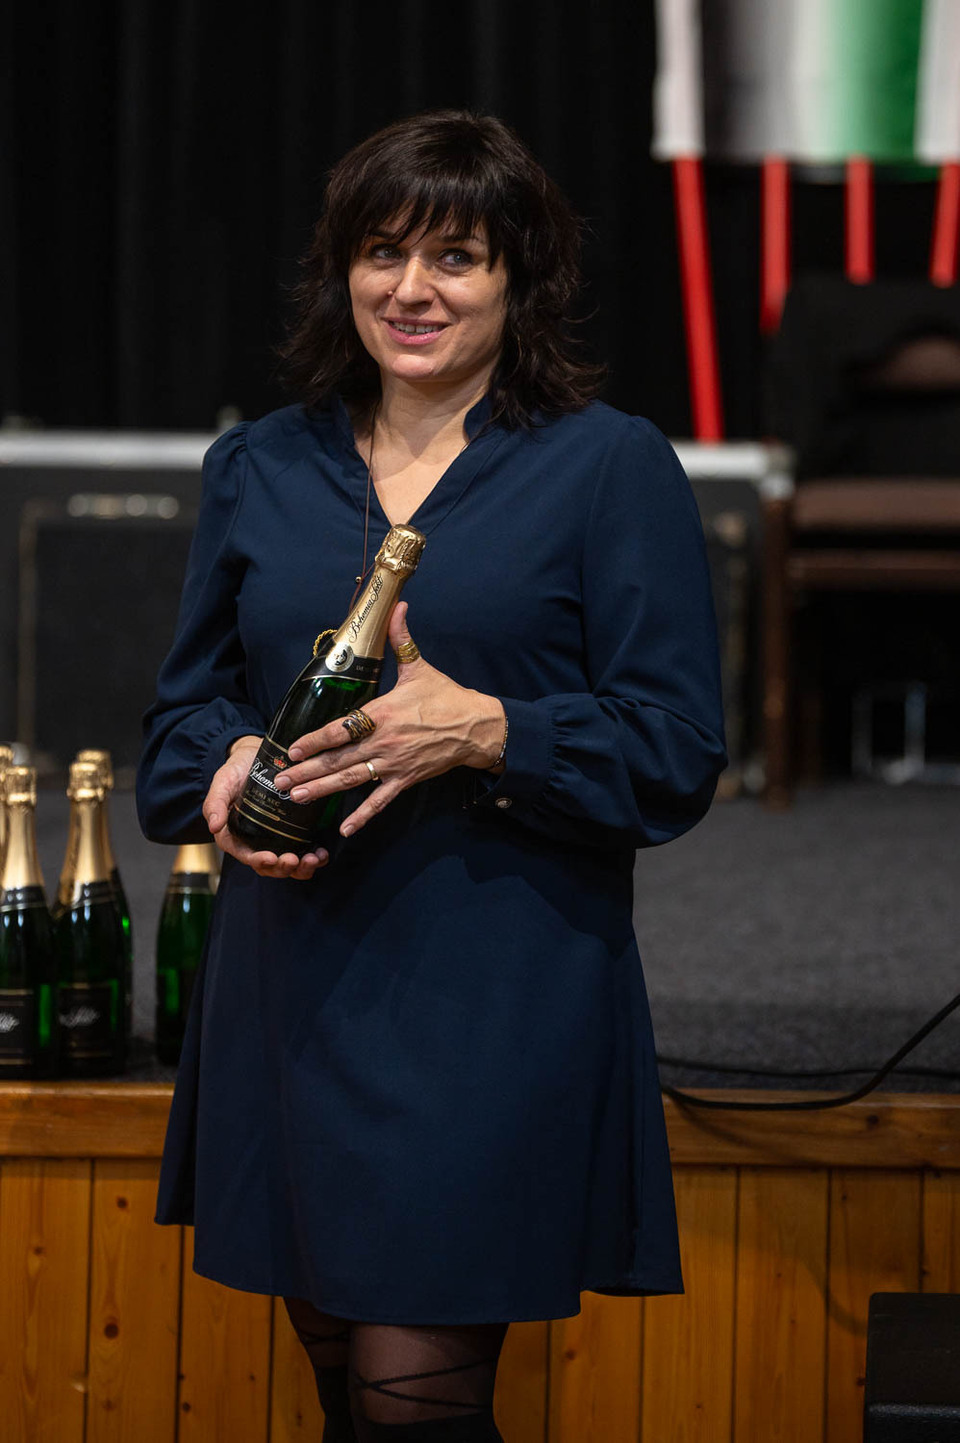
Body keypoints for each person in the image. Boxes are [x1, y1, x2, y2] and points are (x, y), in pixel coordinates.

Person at [137, 110, 726, 1443]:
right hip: (292, 982)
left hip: (492, 993)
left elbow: (677, 748)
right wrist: (228, 760)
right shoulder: (258, 464)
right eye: (382, 252)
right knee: (344, 1397)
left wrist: (488, 731)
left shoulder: (608, 467)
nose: (412, 289)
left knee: (415, 1410)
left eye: (456, 257)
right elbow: (181, 718)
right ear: (339, 270)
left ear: (523, 280)